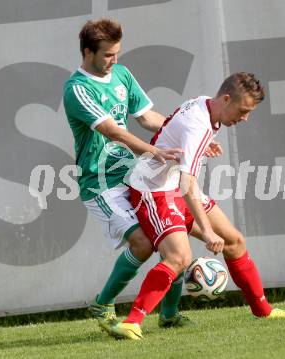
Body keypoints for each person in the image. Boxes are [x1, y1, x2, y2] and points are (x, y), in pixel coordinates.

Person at [63, 18, 219, 339]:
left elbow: (148, 117)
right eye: (107, 55)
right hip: (101, 183)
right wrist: (153, 151)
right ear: (88, 52)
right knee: (143, 242)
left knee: (169, 236)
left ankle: (170, 314)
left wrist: (184, 140)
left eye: (117, 53)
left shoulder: (121, 74)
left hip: (132, 176)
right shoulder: (77, 89)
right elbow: (112, 130)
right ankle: (103, 304)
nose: (114, 61)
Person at [117, 72, 285, 340]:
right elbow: (187, 184)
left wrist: (201, 146)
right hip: (153, 190)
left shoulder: (206, 105)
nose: (245, 118)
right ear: (226, 99)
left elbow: (173, 132)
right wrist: (207, 231)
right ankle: (131, 322)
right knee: (179, 258)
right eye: (243, 110)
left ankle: (264, 311)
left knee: (234, 241)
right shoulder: (198, 126)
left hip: (173, 187)